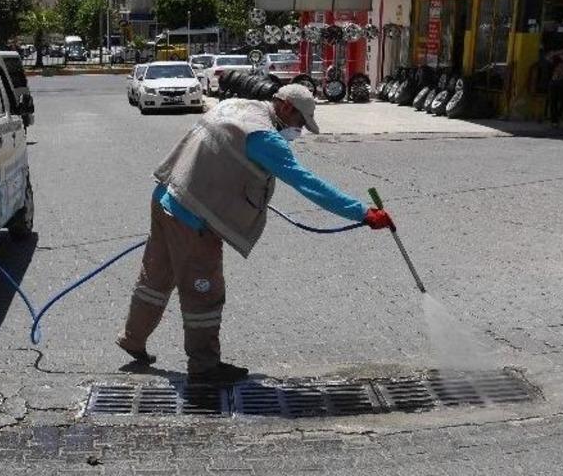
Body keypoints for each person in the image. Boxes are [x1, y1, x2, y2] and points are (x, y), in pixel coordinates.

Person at [116, 85, 394, 385]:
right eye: (300, 122)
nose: (299, 130)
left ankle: (133, 338)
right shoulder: (265, 138)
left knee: (155, 278)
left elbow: (219, 154)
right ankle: (205, 365)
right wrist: (362, 213)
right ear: (286, 108)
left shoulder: (237, 106)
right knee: (204, 291)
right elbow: (307, 183)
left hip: (167, 195)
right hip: (193, 217)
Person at [546, 48, 563, 128]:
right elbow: (548, 58)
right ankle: (554, 121)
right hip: (554, 83)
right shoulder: (555, 62)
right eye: (561, 54)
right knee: (553, 103)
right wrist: (557, 52)